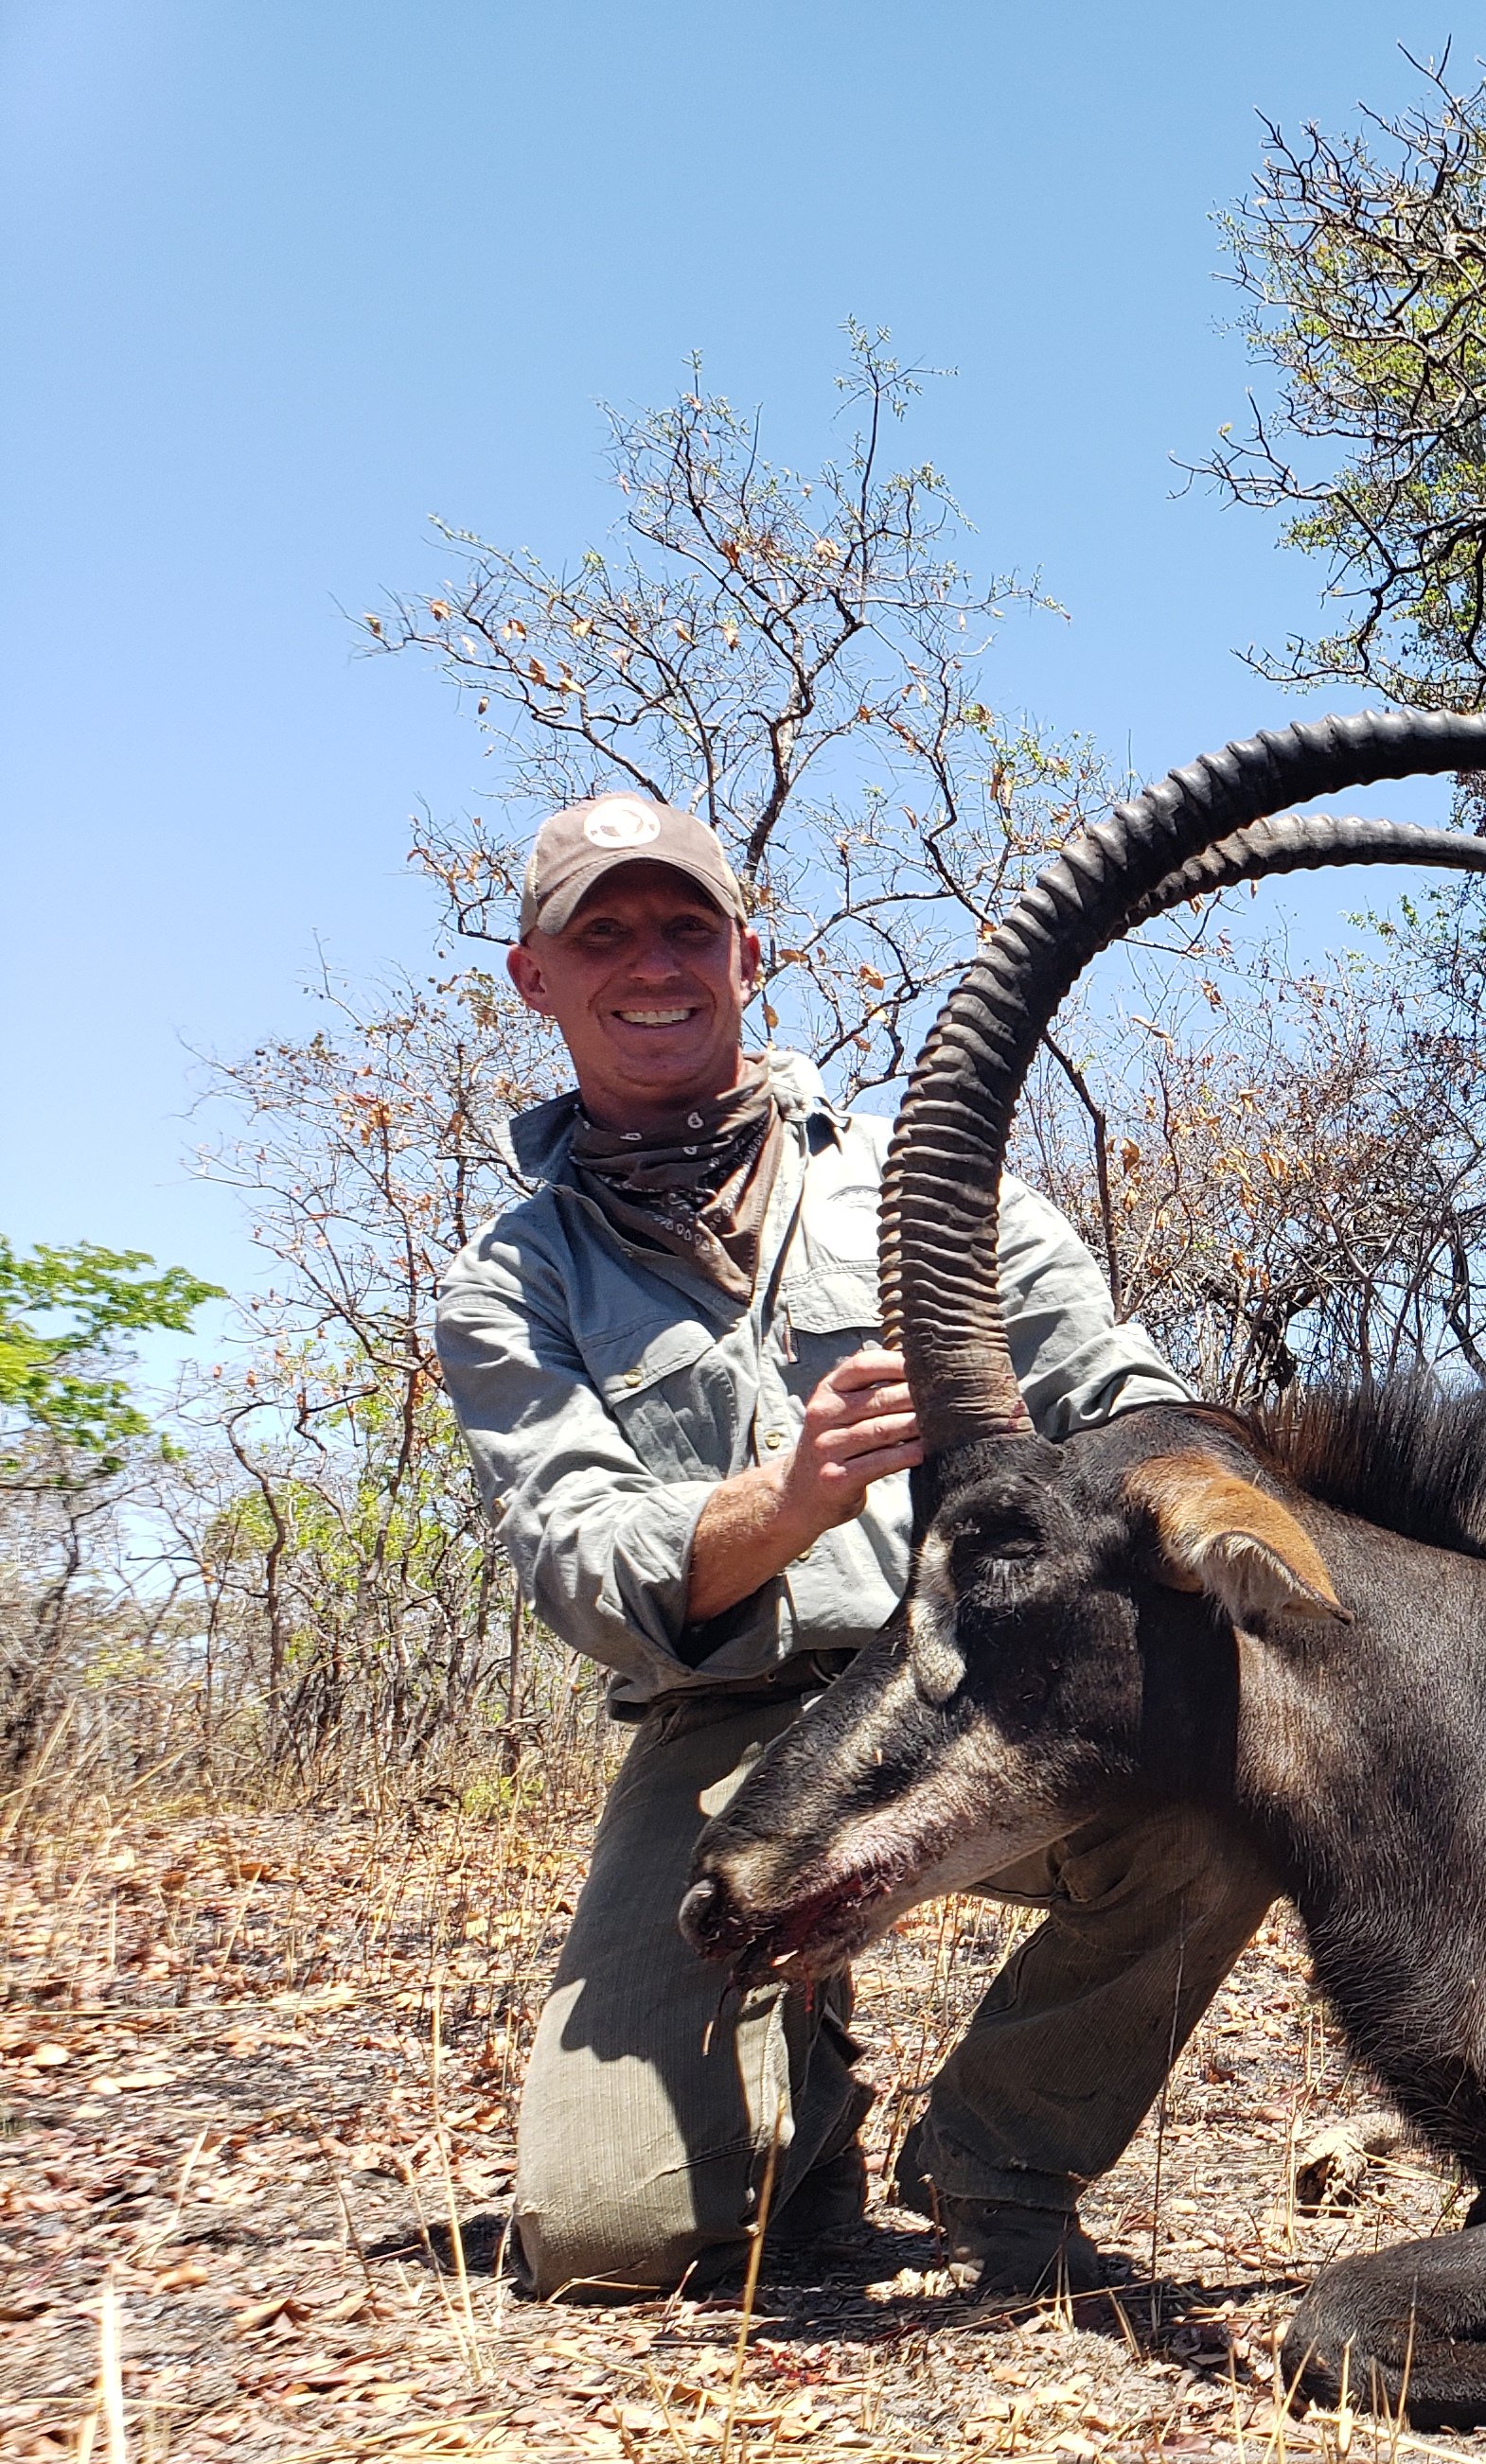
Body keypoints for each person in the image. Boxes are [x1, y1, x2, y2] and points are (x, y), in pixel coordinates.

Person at [436, 793, 1274, 2299]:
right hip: (727, 1722)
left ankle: (995, 2157)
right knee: (610, 2243)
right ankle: (797, 2112)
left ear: (750, 954)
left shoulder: (925, 1182)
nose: (653, 964)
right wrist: (792, 1495)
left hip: (966, 1687)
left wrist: (1177, 1500)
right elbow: (583, 1570)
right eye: (603, 935)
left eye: (686, 927)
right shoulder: (509, 1283)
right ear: (534, 978)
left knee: (1236, 1796)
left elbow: (1134, 1401)